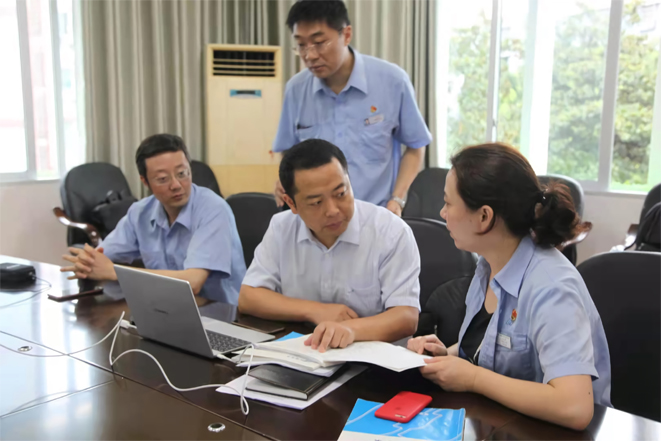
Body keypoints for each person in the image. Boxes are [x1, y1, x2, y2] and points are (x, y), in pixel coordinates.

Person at [407, 143, 611, 431]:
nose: (442, 213)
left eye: (448, 203)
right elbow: (495, 350)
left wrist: (473, 378)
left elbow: (575, 407)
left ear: (484, 217)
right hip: (503, 423)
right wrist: (446, 357)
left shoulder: (552, 287)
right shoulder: (488, 266)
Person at [239, 139, 420, 351]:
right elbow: (249, 297)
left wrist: (350, 330)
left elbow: (406, 317)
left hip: (374, 358)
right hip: (305, 352)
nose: (333, 210)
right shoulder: (282, 228)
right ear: (291, 203)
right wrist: (313, 310)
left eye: (340, 194)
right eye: (316, 202)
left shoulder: (390, 231)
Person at [272, 0, 432, 216]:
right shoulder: (296, 90)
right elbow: (288, 152)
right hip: (317, 220)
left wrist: (397, 199)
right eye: (301, 45)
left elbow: (416, 147)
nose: (310, 55)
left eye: (319, 43)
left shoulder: (392, 81)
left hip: (376, 216)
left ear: (346, 35)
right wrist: (285, 180)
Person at [60, 134, 246, 305]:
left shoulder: (213, 209)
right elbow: (101, 257)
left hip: (222, 315)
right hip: (166, 307)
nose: (176, 185)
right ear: (145, 181)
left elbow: (192, 282)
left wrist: (115, 272)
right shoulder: (140, 213)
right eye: (163, 179)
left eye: (182, 173)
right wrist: (88, 262)